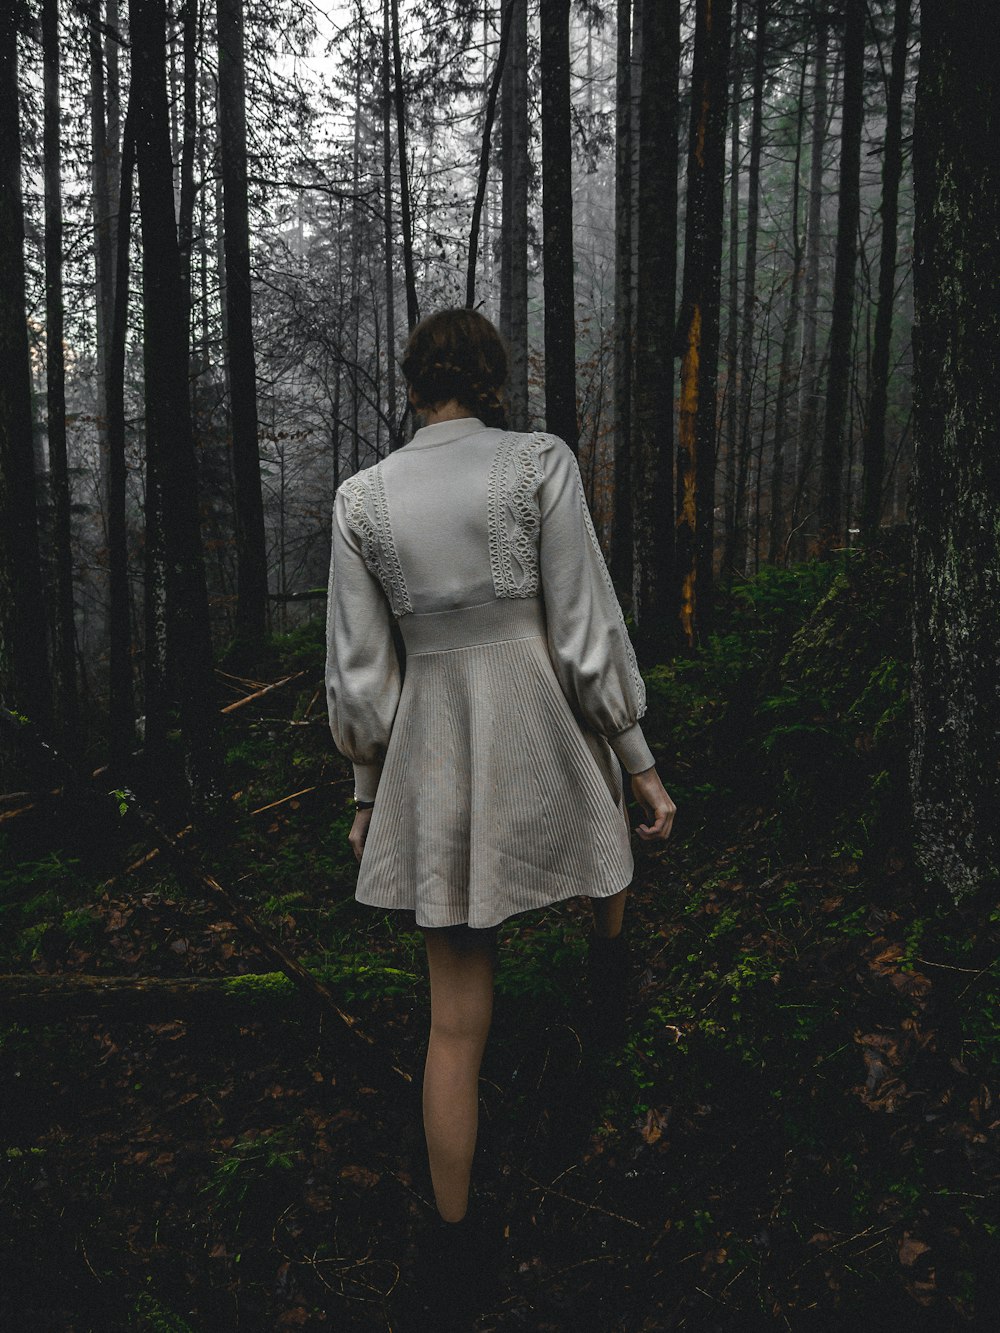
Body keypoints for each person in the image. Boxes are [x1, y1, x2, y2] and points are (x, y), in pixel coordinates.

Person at [324, 306, 675, 1327]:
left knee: (453, 1020)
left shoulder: (362, 497)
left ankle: (454, 1247)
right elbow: (584, 632)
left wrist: (363, 793)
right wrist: (644, 763)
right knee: (604, 801)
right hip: (537, 716)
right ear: (488, 379)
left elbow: (359, 675)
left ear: (410, 379)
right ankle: (610, 967)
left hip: (432, 746)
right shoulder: (536, 463)